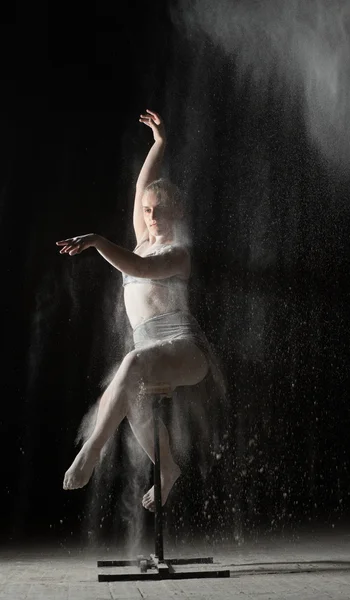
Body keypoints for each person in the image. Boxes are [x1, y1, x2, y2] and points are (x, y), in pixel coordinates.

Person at [57, 109, 223, 512]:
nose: (151, 218)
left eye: (160, 211)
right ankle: (166, 469)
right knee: (129, 391)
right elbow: (141, 187)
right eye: (148, 212)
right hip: (152, 352)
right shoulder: (141, 241)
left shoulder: (176, 254)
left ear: (177, 213)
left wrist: (97, 240)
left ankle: (93, 450)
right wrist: (160, 144)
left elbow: (140, 269)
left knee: (130, 364)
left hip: (186, 349)